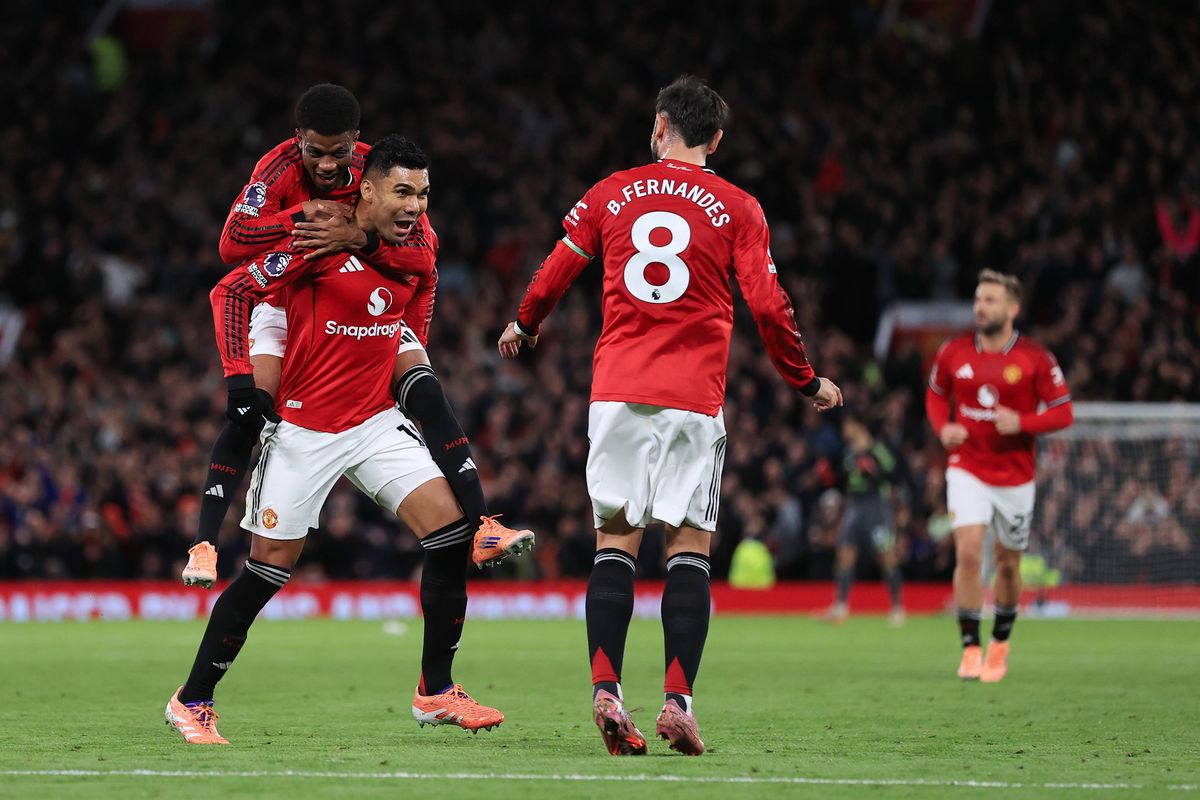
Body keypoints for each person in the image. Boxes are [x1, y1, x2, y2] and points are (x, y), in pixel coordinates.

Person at [498, 76, 843, 756]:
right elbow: (771, 309)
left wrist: (525, 324)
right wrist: (805, 382)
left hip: (618, 390)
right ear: (715, 139)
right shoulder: (739, 206)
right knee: (688, 548)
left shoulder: (610, 192)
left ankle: (605, 688)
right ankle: (678, 701)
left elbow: (555, 270)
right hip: (693, 398)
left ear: (659, 127)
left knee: (615, 544)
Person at [166, 136, 509, 744]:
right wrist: (243, 376)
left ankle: (435, 689)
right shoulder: (315, 244)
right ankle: (192, 699)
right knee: (270, 568)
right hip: (304, 427)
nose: (415, 207)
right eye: (402, 193)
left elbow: (418, 304)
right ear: (367, 192)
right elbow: (233, 284)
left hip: (373, 423)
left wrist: (406, 366)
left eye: (424, 195)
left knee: (450, 534)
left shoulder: (418, 248)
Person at [183, 84, 527, 589]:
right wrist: (304, 217)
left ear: (356, 142)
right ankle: (205, 545)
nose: (326, 165)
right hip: (286, 297)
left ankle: (485, 525)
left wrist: (358, 236)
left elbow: (424, 255)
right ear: (296, 138)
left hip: (369, 298)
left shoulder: (382, 172)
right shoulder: (275, 170)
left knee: (425, 389)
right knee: (249, 408)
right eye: (315, 151)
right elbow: (233, 243)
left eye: (339, 152)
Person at [925, 269, 1074, 683]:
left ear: (1012, 309)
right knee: (969, 553)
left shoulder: (1034, 358)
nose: (980, 307)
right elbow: (936, 394)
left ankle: (1001, 641)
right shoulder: (953, 352)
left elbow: (1064, 410)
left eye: (990, 300)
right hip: (967, 468)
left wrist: (1024, 422)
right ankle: (971, 646)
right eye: (977, 299)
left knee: (1008, 565)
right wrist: (943, 429)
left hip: (1015, 477)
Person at [824, 415, 905, 626]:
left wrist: (873, 471)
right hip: (854, 505)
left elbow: (894, 475)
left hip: (875, 505)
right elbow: (844, 482)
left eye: (847, 425)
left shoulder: (877, 450)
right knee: (845, 555)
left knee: (886, 556)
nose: (844, 430)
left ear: (858, 426)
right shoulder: (848, 453)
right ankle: (841, 606)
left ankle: (897, 607)